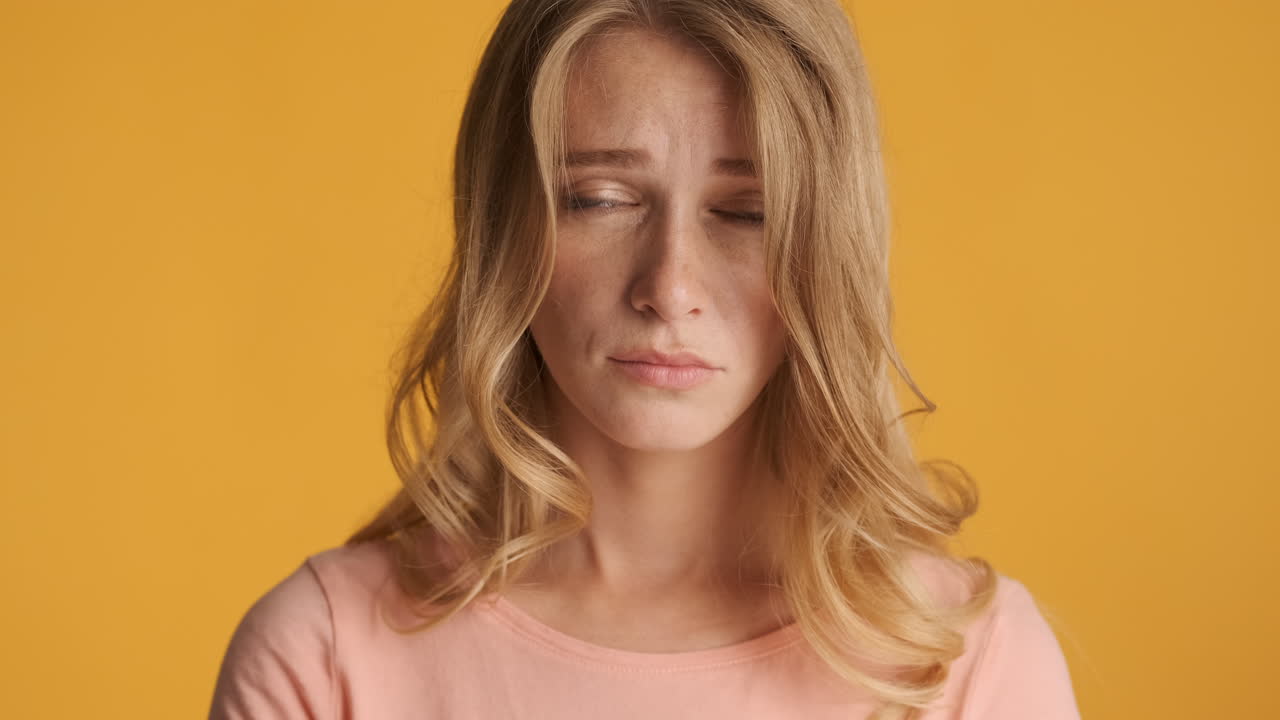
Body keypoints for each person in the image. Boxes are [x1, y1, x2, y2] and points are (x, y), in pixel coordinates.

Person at [208, 1, 1082, 718]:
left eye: (748, 213)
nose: (669, 287)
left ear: (829, 252)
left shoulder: (964, 662)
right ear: (501, 228)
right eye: (599, 198)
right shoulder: (323, 656)